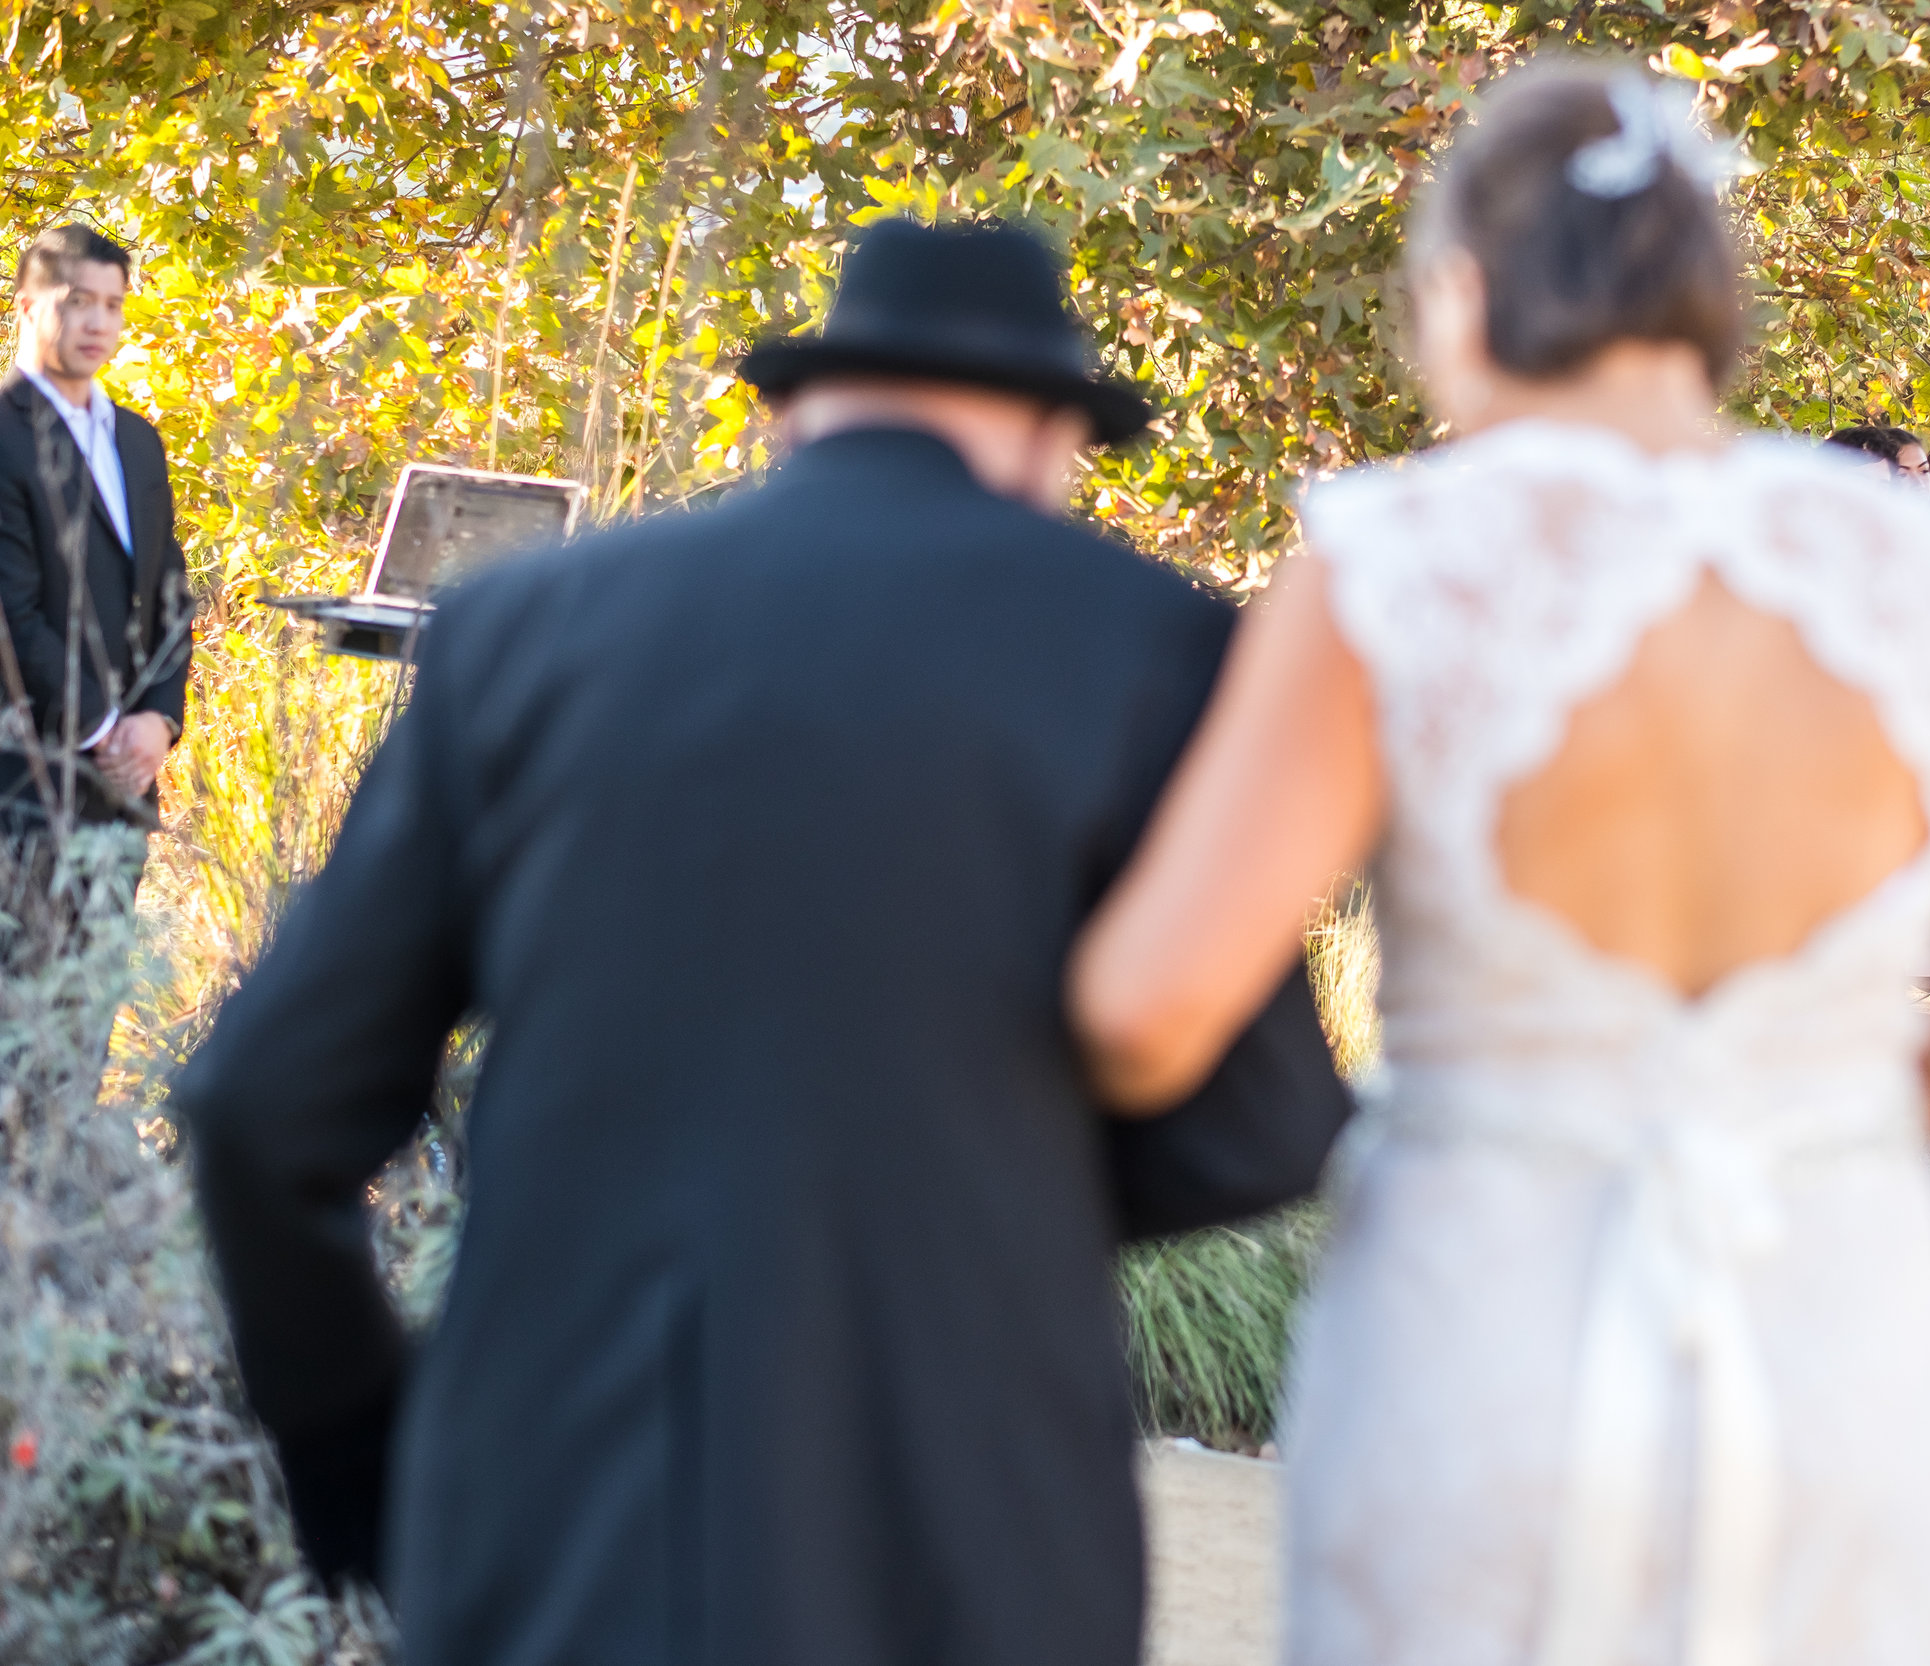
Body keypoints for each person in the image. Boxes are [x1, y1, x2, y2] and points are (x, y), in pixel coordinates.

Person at [175, 218, 1351, 1666]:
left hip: (559, 1521)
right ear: (1054, 439)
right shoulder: (1153, 643)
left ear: (796, 413)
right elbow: (1265, 1126)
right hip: (972, 1543)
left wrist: (367, 1470)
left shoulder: (524, 631)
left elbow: (259, 1106)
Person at [1067, 62, 1930, 1666]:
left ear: (1462, 289)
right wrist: (1783, 1096)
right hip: (1829, 1309)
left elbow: (1152, 1007)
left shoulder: (1397, 560)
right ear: (1709, 294)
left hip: (1481, 1303)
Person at [0, 224, 192, 832]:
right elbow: (11, 614)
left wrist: (158, 723)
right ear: (27, 306)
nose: (98, 323)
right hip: (20, 783)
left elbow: (170, 591)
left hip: (122, 793)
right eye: (77, 301)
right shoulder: (4, 434)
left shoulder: (137, 439)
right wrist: (107, 730)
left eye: (113, 305)